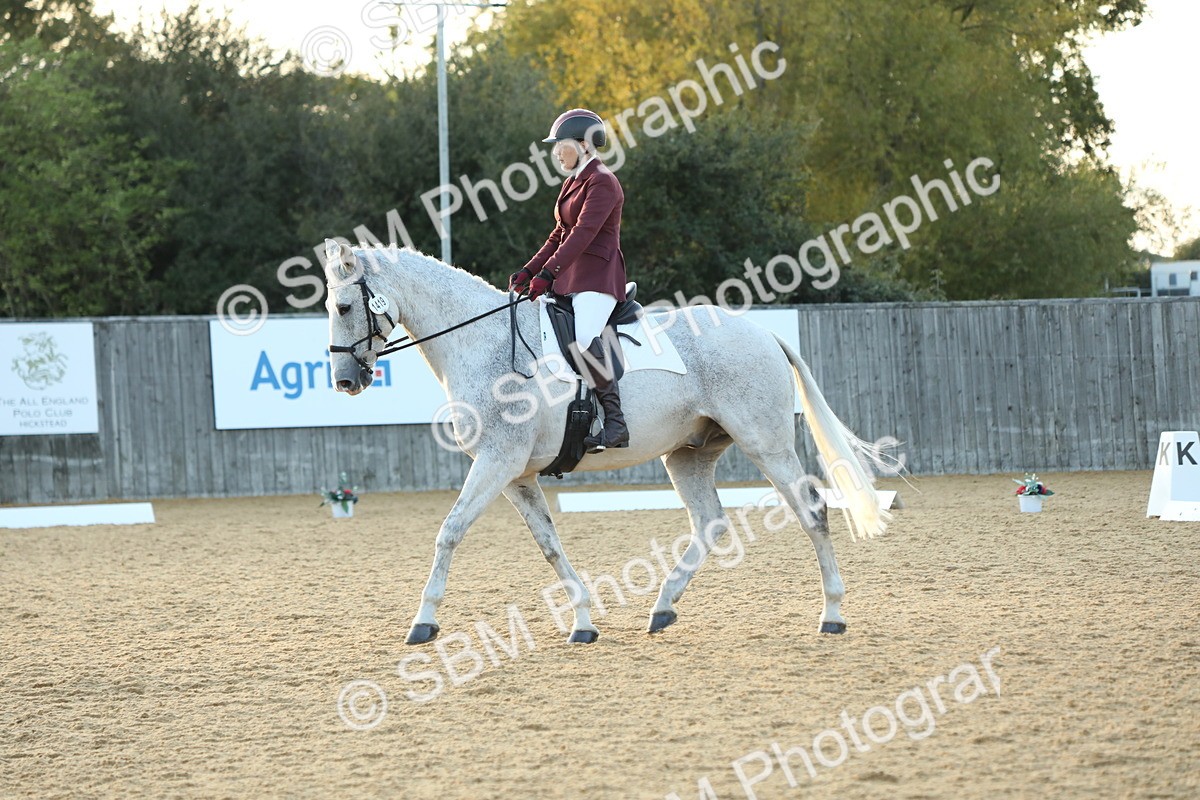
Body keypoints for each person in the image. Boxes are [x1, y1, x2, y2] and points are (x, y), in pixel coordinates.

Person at [509, 108, 630, 453]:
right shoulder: (573, 181)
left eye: (560, 145)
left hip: (597, 278)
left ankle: (616, 424)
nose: (556, 153)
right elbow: (558, 235)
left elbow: (583, 235)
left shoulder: (604, 181)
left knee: (584, 338)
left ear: (583, 144)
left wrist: (549, 274)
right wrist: (530, 270)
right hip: (571, 278)